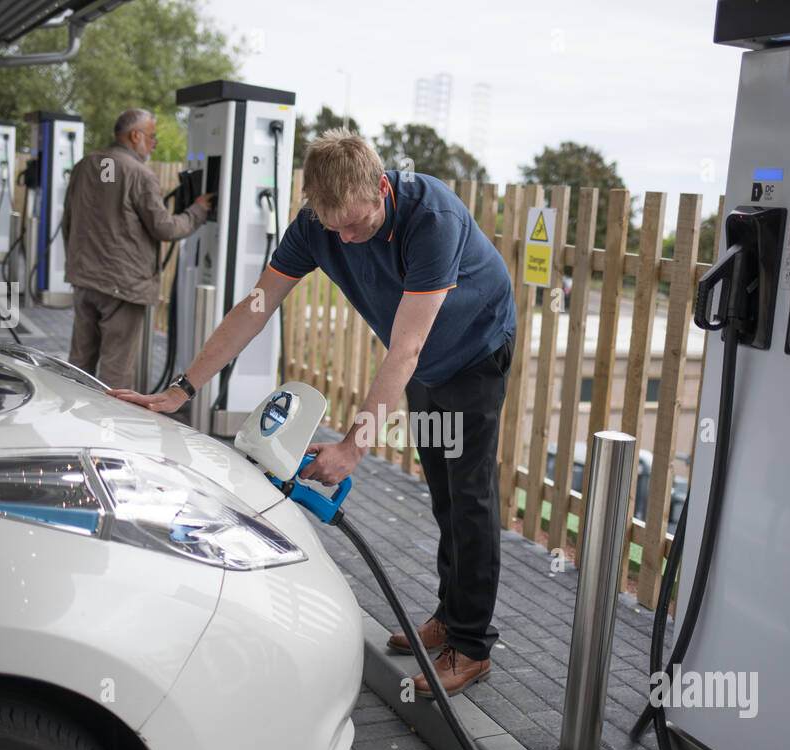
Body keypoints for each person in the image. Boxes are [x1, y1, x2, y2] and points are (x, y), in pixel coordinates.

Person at [108, 130, 516, 698]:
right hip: (424, 365)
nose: (346, 239)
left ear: (380, 187)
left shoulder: (431, 216)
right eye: (334, 228)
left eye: (357, 225)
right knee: (443, 492)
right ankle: (450, 615)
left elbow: (405, 348)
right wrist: (180, 391)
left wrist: (353, 446)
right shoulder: (314, 228)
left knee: (469, 494)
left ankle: (471, 646)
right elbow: (256, 306)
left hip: (474, 351)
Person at [61, 108, 214, 389]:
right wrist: (198, 211)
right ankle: (106, 430)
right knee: (115, 370)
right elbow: (165, 228)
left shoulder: (85, 165)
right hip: (123, 287)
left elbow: (67, 220)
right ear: (135, 135)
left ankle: (70, 421)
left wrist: (77, 266)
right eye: (152, 137)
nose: (154, 144)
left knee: (79, 363)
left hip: (85, 281)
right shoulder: (139, 174)